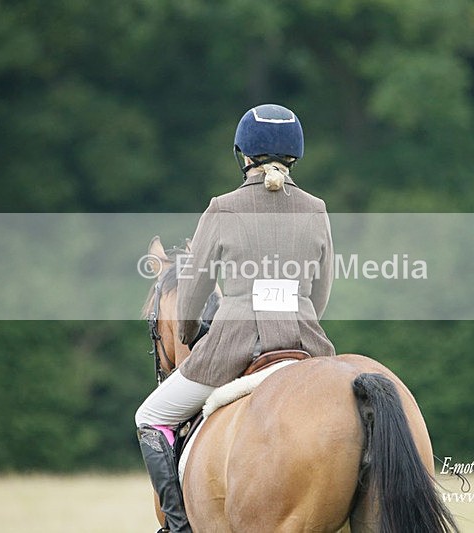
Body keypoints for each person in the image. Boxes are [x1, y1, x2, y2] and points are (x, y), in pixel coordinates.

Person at [134, 104, 336, 532]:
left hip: (232, 347)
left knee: (150, 417)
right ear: (295, 155)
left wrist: (190, 334)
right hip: (305, 346)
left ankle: (177, 526)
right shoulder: (316, 209)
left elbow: (193, 296)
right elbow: (319, 297)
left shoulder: (223, 208)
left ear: (243, 155)